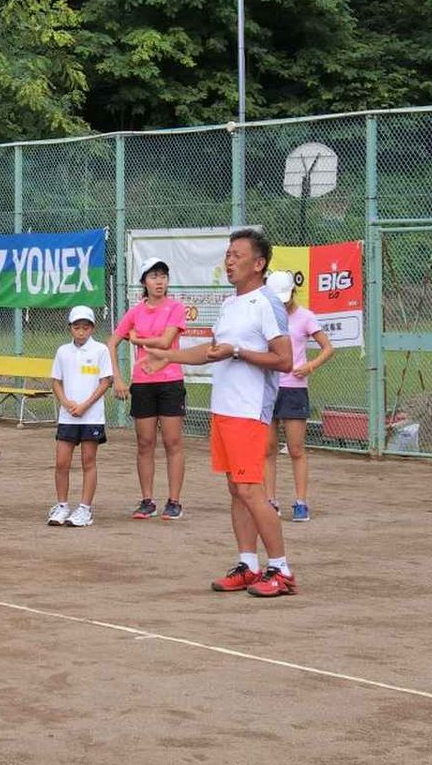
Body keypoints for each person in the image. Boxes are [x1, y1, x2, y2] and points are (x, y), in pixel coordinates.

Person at [144, 229, 296, 598]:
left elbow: (284, 360)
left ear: (258, 264)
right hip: (224, 410)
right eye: (227, 255)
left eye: (236, 256)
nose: (229, 261)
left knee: (250, 490)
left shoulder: (267, 303)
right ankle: (249, 565)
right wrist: (168, 356)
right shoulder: (230, 305)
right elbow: (212, 351)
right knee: (236, 490)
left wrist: (239, 352)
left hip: (249, 411)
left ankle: (281, 570)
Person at [106, 257, 187, 520]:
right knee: (145, 443)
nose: (159, 281)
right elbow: (111, 343)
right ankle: (147, 500)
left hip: (170, 381)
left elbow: (165, 342)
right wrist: (118, 378)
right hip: (142, 383)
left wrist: (138, 339)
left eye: (163, 276)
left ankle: (174, 501)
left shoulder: (176, 307)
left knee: (172, 441)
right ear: (144, 282)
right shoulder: (135, 312)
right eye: (153, 276)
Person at [262, 270, 333, 521]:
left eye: (286, 297)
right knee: (267, 448)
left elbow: (327, 348)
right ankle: (269, 501)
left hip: (294, 388)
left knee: (295, 448)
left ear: (294, 291)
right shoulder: (265, 315)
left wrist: (309, 366)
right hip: (269, 386)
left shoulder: (305, 317)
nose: (283, 303)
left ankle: (301, 502)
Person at [48, 305, 113, 528]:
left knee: (88, 461)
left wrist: (85, 405)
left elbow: (105, 382)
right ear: (70, 328)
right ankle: (62, 506)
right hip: (68, 416)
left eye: (86, 327)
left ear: (92, 328)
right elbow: (56, 381)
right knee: (61, 462)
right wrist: (66, 403)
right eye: (77, 327)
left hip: (91, 416)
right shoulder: (62, 351)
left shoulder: (101, 350)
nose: (81, 331)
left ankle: (85, 509)